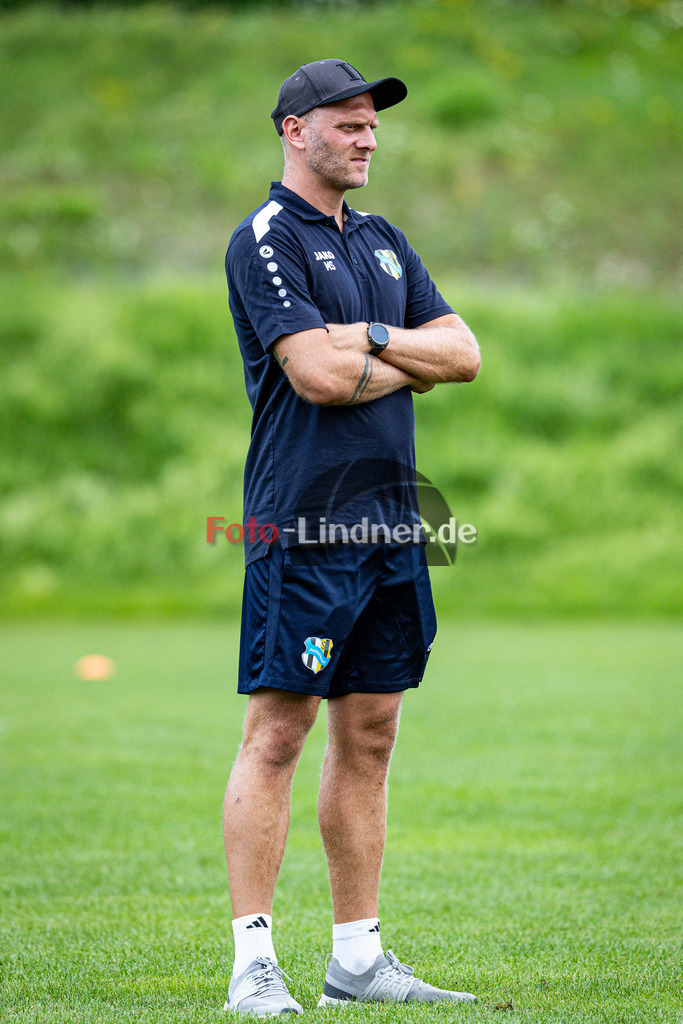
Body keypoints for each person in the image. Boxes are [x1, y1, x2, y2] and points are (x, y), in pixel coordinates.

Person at [223, 59, 480, 1016]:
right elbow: (313, 382)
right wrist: (392, 354)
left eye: (372, 126)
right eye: (347, 123)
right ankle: (253, 967)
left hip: (392, 521)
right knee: (279, 732)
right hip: (300, 521)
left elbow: (464, 354)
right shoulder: (264, 240)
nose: (367, 138)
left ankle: (357, 962)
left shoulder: (383, 240)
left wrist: (368, 335)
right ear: (295, 130)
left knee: (370, 732)